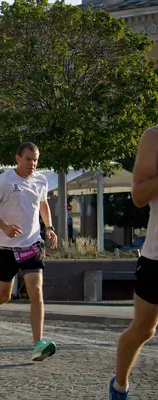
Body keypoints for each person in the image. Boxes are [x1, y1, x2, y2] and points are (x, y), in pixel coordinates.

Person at [0, 142, 58, 361]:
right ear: (18, 158)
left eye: (36, 159)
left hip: (31, 245)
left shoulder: (41, 180)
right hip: (6, 248)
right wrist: (4, 227)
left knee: (36, 291)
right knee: (4, 295)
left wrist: (49, 227)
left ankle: (38, 344)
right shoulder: (4, 181)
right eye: (29, 159)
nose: (33, 164)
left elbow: (43, 204)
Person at [109, 127, 158, 399]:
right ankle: (120, 386)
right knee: (144, 329)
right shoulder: (154, 138)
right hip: (156, 255)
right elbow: (138, 196)